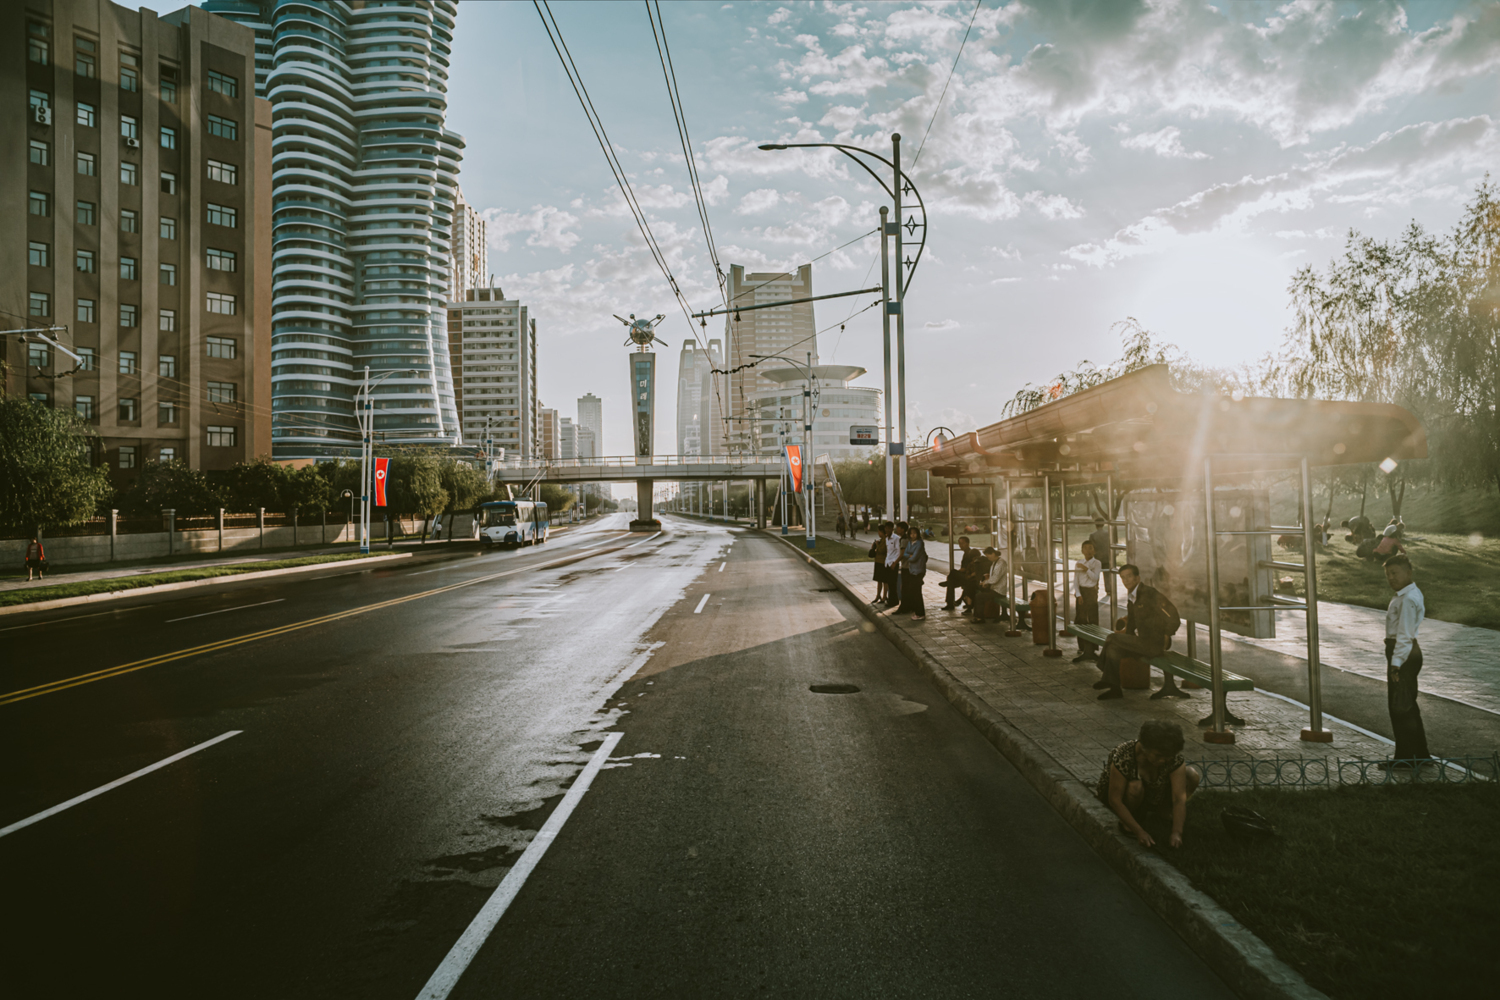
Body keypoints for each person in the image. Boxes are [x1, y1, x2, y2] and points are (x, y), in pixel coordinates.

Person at [1097, 720, 1201, 849]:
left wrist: (1176, 832)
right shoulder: (1124, 755)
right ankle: (1128, 823)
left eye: (1167, 757)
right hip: (1125, 795)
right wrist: (1140, 832)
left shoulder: (1173, 758)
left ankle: (1164, 811)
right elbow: (1114, 800)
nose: (1163, 760)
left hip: (1153, 793)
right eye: (1158, 756)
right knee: (1135, 787)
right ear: (1144, 747)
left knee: (1191, 775)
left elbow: (1179, 798)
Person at [1094, 563, 1179, 700]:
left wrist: (1167, 634)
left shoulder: (1149, 594)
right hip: (1141, 643)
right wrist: (1126, 641)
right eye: (1123, 578)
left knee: (1112, 637)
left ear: (1137, 578)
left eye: (1129, 577)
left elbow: (1173, 616)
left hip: (1153, 644)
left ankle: (1106, 676)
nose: (1126, 580)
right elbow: (1132, 623)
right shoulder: (1132, 596)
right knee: (1114, 648)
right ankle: (1115, 689)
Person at [1381, 554, 1431, 768]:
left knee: (1400, 707)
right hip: (1403, 652)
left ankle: (1406, 758)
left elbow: (1405, 635)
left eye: (1395, 573)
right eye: (1388, 574)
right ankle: (1419, 755)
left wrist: (1396, 663)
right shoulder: (1404, 594)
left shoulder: (1408, 598)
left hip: (1404, 654)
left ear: (1408, 573)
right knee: (1407, 706)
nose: (1391, 578)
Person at [1071, 539, 1103, 663]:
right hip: (1081, 592)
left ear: (1094, 550)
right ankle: (1082, 646)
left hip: (1091, 592)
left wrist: (1086, 569)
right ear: (1082, 551)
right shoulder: (1078, 563)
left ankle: (1093, 646)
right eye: (1086, 548)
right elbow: (1076, 580)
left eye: (1091, 548)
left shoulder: (1097, 563)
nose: (1088, 551)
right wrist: (1078, 595)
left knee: (1093, 618)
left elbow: (1095, 578)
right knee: (1081, 618)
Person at [942, 536, 982, 611]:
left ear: (967, 543)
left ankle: (950, 603)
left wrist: (958, 572)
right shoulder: (966, 553)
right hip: (965, 576)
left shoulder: (970, 553)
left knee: (953, 572)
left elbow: (965, 568)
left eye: (962, 543)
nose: (960, 545)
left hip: (968, 577)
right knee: (951, 583)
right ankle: (950, 603)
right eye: (959, 543)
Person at [898, 523, 928, 620]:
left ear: (918, 534)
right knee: (914, 591)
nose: (912, 535)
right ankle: (917, 611)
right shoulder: (911, 543)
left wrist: (910, 556)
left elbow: (913, 557)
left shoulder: (919, 543)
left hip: (918, 570)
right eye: (911, 534)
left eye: (914, 533)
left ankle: (920, 613)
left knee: (917, 592)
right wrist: (910, 555)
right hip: (912, 570)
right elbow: (906, 553)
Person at [885, 521, 906, 607]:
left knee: (893, 583)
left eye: (888, 528)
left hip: (893, 563)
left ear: (892, 529)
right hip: (887, 563)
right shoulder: (886, 538)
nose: (887, 530)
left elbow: (898, 551)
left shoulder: (896, 538)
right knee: (890, 583)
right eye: (885, 528)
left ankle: (894, 601)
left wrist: (895, 562)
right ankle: (891, 600)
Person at [870, 523, 891, 606]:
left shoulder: (885, 540)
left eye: (879, 531)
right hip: (878, 561)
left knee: (885, 581)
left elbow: (882, 550)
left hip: (883, 562)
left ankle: (884, 596)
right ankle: (878, 595)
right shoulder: (882, 539)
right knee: (879, 580)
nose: (878, 533)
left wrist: (877, 545)